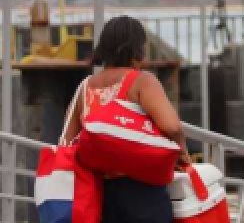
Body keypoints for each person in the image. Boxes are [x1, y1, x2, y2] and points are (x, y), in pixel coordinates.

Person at [60, 16, 188, 223]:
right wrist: (182, 150)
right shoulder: (142, 81)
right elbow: (172, 126)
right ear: (137, 48)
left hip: (100, 191)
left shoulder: (85, 87)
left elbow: (68, 139)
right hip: (142, 190)